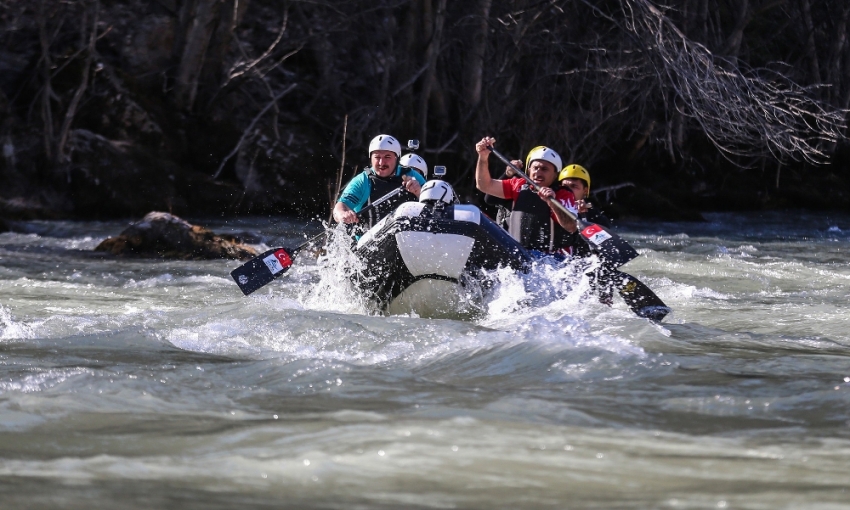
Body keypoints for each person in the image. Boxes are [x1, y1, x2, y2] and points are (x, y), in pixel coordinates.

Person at [474, 136, 578, 256]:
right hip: (519, 254)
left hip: (551, 259)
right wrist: (483, 157)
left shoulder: (563, 194)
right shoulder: (518, 185)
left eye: (544, 169)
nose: (538, 172)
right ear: (529, 170)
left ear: (555, 175)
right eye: (535, 168)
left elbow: (571, 226)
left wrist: (552, 203)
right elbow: (484, 185)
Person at [333, 134, 427, 228]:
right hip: (370, 239)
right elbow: (340, 207)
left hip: (409, 235)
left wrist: (419, 193)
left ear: (396, 158)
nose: (381, 163)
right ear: (371, 159)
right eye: (377, 157)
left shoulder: (412, 175)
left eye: (387, 157)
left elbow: (434, 206)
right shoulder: (362, 180)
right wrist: (343, 214)